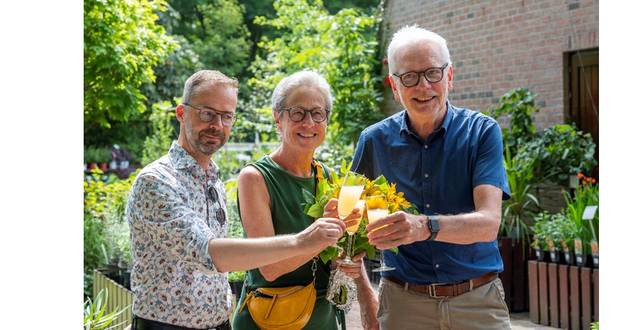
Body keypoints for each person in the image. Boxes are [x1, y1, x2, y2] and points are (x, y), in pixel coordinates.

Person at [126, 70, 347, 330]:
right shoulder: (156, 181)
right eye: (207, 113)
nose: (217, 125)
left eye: (226, 116)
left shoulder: (213, 179)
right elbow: (210, 253)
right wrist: (305, 240)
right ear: (182, 113)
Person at [351, 26, 513, 329]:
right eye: (409, 77)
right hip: (403, 305)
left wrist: (423, 227)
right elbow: (349, 226)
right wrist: (365, 296)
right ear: (393, 85)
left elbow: (489, 224)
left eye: (433, 73)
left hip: (477, 301)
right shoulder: (373, 141)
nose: (423, 86)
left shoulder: (482, 132)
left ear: (449, 76)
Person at [232, 70, 377, 330]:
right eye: (297, 113)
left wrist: (350, 263)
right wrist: (323, 236)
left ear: (326, 121)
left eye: (317, 113)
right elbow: (270, 268)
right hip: (271, 319)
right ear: (278, 118)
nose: (308, 123)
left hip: (322, 318)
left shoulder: (328, 176)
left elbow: (335, 254)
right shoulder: (255, 178)